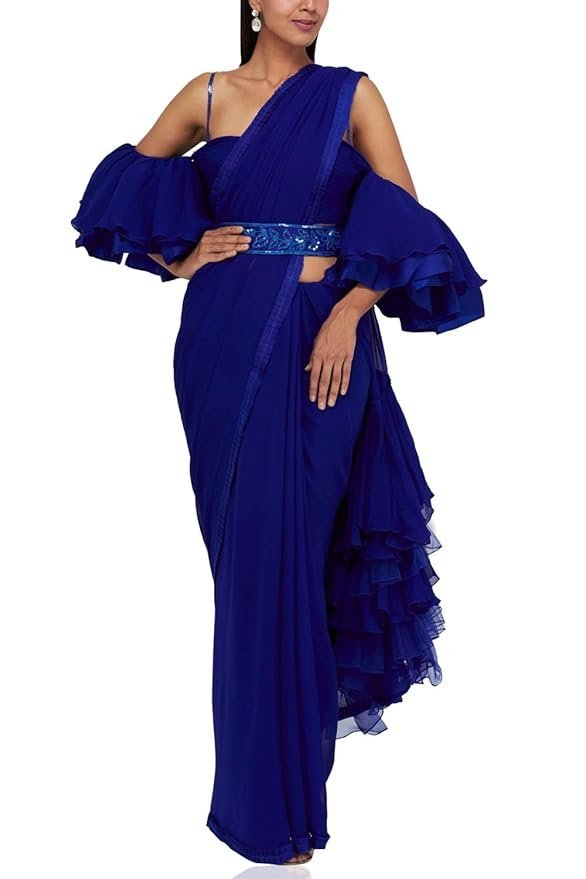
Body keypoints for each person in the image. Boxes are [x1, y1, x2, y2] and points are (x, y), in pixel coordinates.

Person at [70, 0, 487, 867]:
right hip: (222, 343)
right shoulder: (208, 94)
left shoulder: (351, 94)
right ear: (253, 0)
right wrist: (179, 258)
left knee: (302, 558)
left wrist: (350, 311)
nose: (310, 1)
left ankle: (290, 809)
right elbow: (121, 187)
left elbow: (405, 216)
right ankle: (264, 811)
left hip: (325, 343)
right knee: (252, 572)